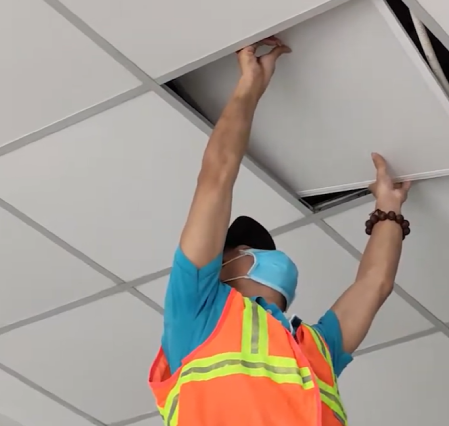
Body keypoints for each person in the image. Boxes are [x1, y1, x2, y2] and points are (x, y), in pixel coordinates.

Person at [147, 36, 412, 426]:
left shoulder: (309, 348)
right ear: (222, 266)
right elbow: (216, 179)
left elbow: (374, 284)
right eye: (244, 248)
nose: (264, 255)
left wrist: (388, 206)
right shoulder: (197, 311)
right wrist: (250, 87)